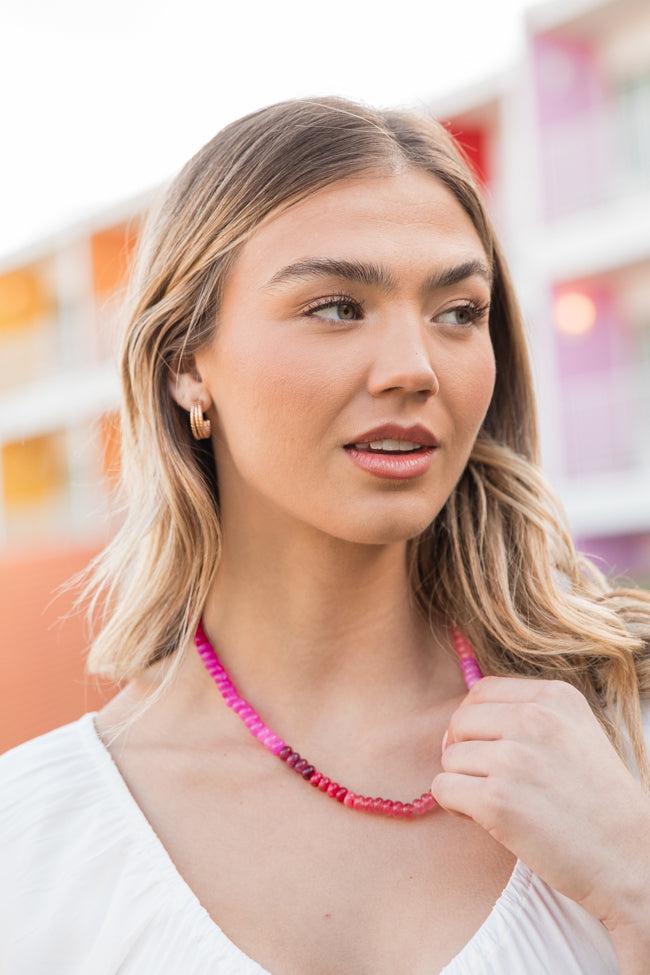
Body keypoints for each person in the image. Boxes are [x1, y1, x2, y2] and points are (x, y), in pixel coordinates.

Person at [2, 95, 650, 975]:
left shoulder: (623, 732)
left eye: (458, 311)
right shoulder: (36, 842)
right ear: (186, 363)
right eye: (339, 307)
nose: (415, 369)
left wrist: (634, 876)